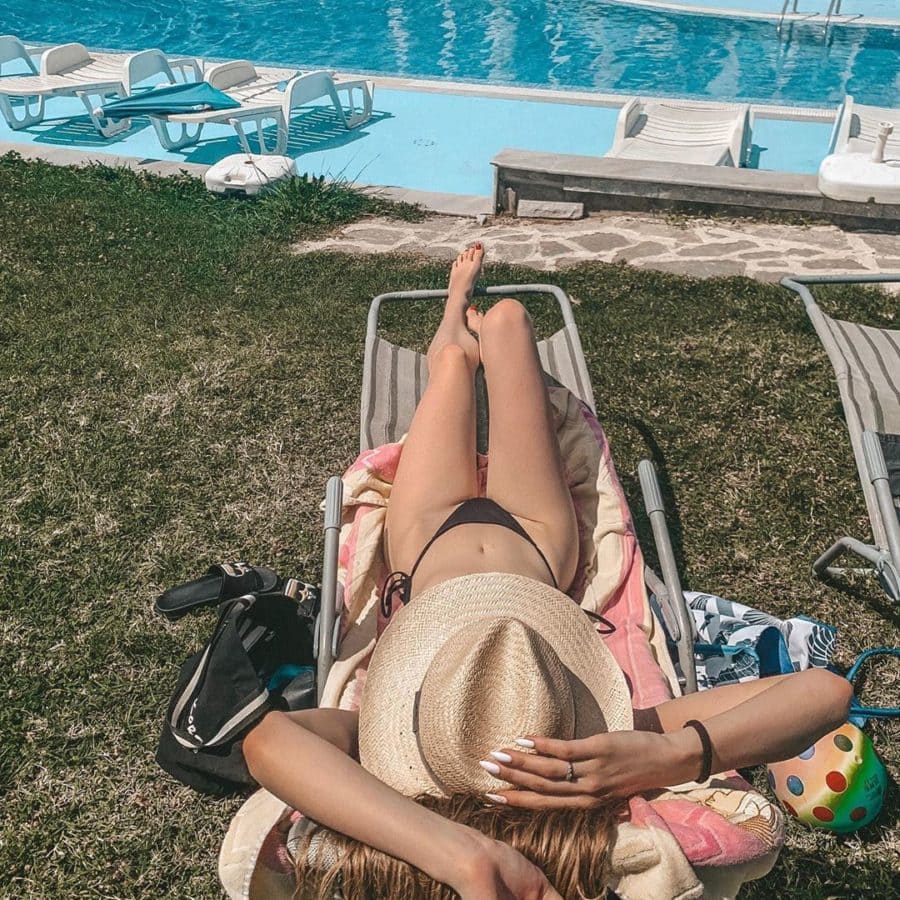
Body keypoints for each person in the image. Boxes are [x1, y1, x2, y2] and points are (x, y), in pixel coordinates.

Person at [243, 245, 852, 900]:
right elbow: (826, 691)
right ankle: (480, 328)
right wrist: (672, 752)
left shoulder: (386, 747)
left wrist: (463, 858)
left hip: (425, 547)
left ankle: (454, 319)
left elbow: (267, 740)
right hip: (534, 544)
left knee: (452, 364)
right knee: (509, 321)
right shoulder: (598, 747)